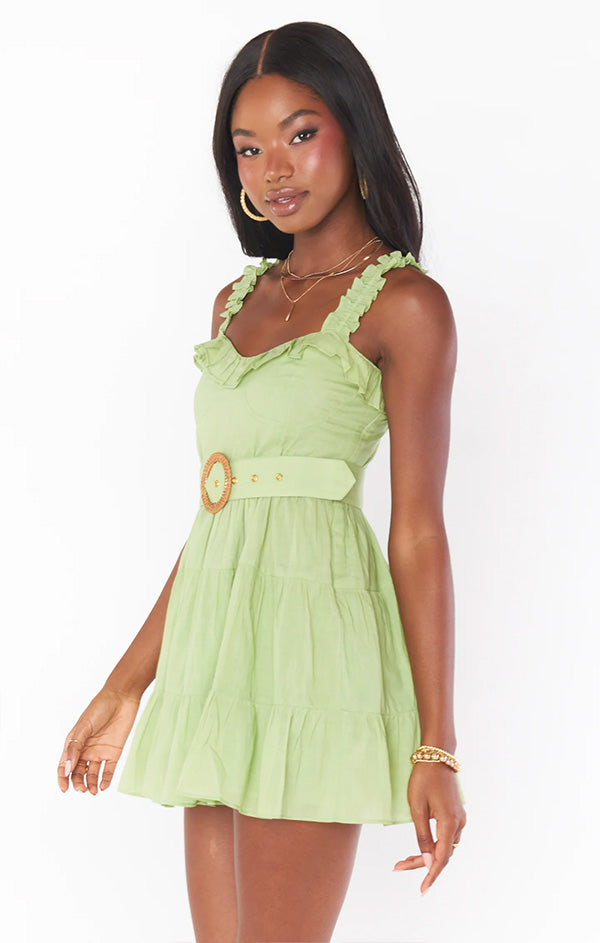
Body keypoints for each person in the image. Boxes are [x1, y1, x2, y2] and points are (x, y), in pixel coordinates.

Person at [57, 21, 467, 943]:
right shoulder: (236, 304)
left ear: (355, 130)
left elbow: (417, 529)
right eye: (248, 148)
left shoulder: (405, 305)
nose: (273, 169)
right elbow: (222, 518)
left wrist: (436, 745)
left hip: (312, 659)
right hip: (215, 660)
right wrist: (126, 685)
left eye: (300, 133)